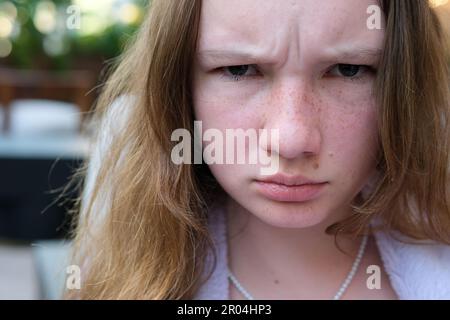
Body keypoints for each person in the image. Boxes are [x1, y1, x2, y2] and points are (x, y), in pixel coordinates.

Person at [67, 0, 450, 299]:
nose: (291, 140)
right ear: (179, 87)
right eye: (240, 69)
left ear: (404, 85)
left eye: (349, 69)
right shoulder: (125, 257)